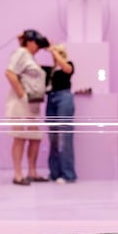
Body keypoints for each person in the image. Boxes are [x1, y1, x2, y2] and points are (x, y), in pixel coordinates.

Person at [5, 29, 50, 185]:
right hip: (21, 103)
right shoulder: (21, 53)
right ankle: (18, 174)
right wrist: (22, 95)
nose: (38, 47)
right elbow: (10, 73)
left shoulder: (30, 58)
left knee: (35, 138)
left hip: (33, 104)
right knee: (20, 138)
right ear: (30, 41)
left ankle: (32, 171)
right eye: (37, 43)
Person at [45, 44, 77, 184]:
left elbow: (67, 69)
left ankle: (68, 174)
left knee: (65, 136)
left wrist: (54, 50)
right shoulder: (51, 70)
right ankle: (55, 172)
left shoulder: (68, 65)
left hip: (64, 98)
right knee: (53, 137)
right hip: (51, 99)